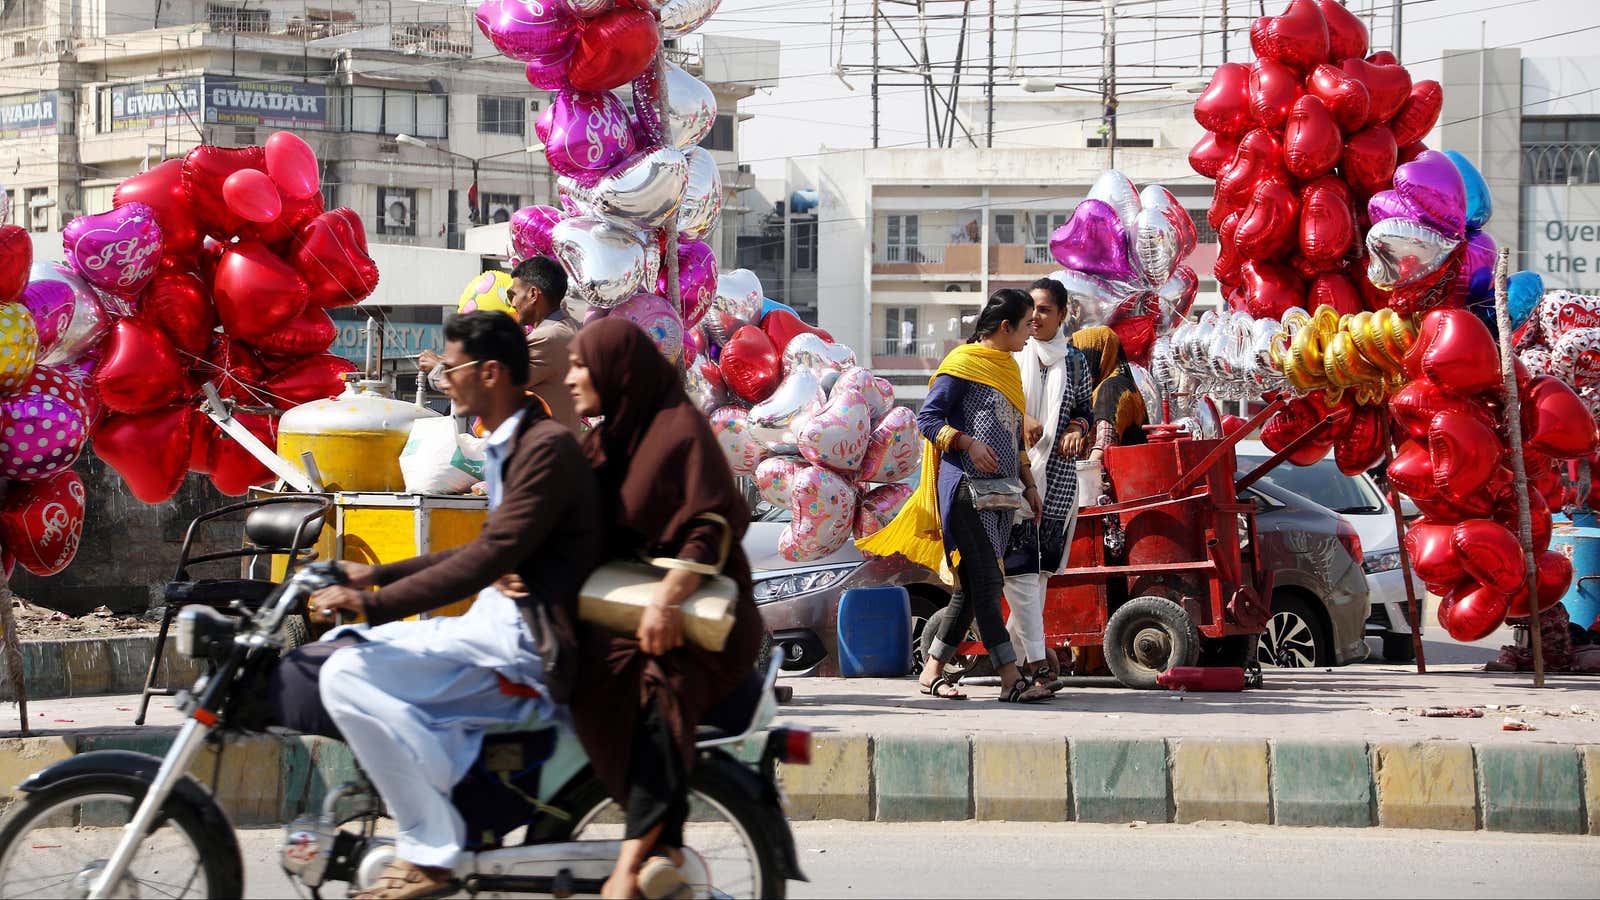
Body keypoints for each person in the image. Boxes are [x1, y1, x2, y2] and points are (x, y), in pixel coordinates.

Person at [308, 311, 600, 900]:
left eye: (452, 368)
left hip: (526, 649)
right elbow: (487, 551)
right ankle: (443, 806)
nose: (443, 379)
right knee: (341, 660)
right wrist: (376, 575)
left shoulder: (541, 449)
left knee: (344, 671)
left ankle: (430, 848)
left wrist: (375, 603)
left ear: (490, 373)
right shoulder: (506, 443)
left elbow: (489, 557)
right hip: (494, 627)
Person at [563, 318, 764, 900]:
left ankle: (632, 864)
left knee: (658, 694)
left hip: (702, 622)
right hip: (635, 608)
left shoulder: (680, 431)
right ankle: (659, 841)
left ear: (617, 370)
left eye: (583, 365)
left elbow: (710, 523)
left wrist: (668, 596)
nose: (574, 377)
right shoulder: (608, 438)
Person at [859, 288, 1053, 704]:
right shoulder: (962, 365)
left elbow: (1014, 434)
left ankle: (931, 673)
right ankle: (1009, 677)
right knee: (987, 583)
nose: (1027, 337)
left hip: (1001, 496)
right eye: (1024, 328)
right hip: (965, 490)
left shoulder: (1008, 369)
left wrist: (1030, 484)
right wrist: (967, 443)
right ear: (1005, 327)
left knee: (970, 588)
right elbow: (927, 419)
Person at [1002, 278, 1094, 686]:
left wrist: (1075, 427)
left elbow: (1084, 410)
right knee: (1019, 574)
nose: (1035, 318)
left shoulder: (1075, 362)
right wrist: (1023, 420)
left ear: (1061, 315)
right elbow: (995, 404)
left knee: (1037, 576)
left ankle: (1014, 660)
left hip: (1056, 481)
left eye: (1044, 310)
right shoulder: (1010, 353)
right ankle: (1031, 661)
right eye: (1031, 310)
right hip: (1012, 479)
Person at [421, 256, 581, 431]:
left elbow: (489, 390)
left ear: (533, 294)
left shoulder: (547, 337)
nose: (512, 304)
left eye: (513, 295)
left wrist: (439, 368)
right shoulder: (569, 327)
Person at [1071, 326, 1149, 459]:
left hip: (1116, 476)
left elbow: (1104, 444)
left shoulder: (1112, 387)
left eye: (1081, 360)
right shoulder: (1102, 388)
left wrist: (1085, 476)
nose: (1077, 369)